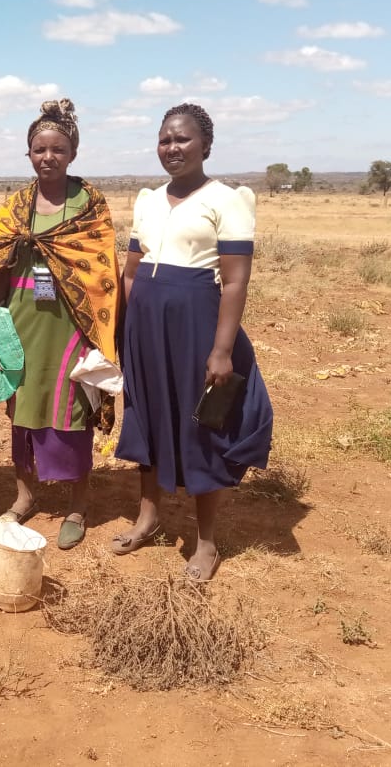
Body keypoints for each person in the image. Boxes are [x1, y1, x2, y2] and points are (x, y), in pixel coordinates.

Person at [114, 103, 273, 581]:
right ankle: (148, 517)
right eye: (165, 139)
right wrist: (125, 329)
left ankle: (205, 542)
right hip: (144, 325)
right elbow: (131, 269)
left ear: (205, 144)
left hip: (195, 325)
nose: (172, 148)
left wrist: (221, 349)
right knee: (146, 415)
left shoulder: (226, 199)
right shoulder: (148, 199)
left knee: (201, 424)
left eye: (182, 139)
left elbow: (236, 281)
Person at [0, 99, 121, 551]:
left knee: (74, 410)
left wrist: (104, 337)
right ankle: (24, 495)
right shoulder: (17, 207)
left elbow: (103, 269)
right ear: (29, 153)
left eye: (58, 149)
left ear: (72, 152)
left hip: (72, 322)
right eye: (39, 149)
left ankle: (78, 503)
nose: (48, 157)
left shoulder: (89, 203)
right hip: (19, 320)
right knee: (21, 410)